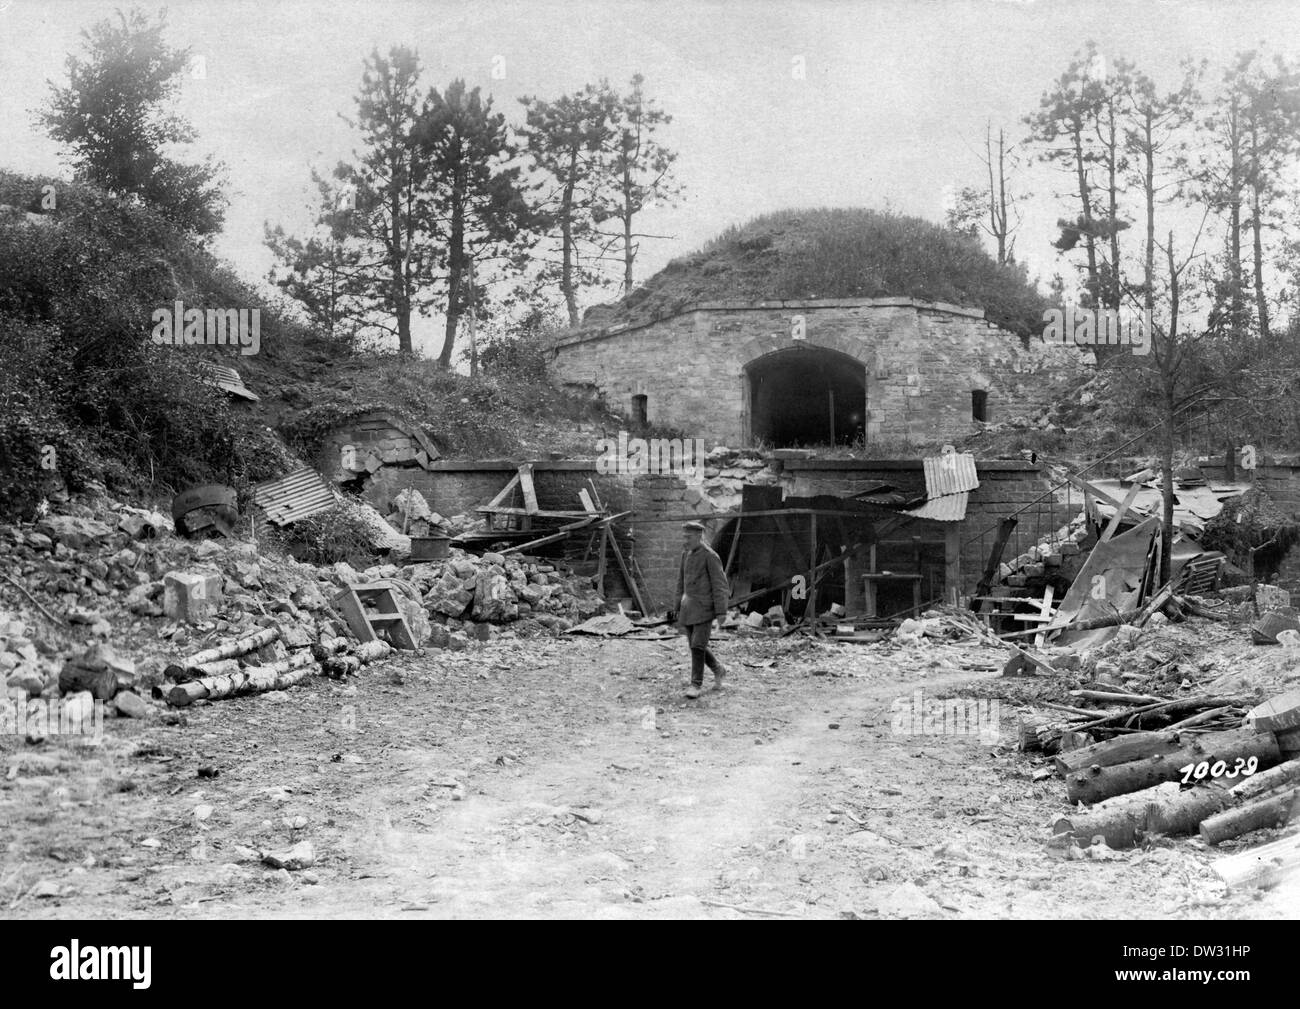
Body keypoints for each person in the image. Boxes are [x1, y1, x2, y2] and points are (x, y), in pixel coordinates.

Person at [668, 521, 729, 699]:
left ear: (699, 536)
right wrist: (677, 607)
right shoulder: (685, 554)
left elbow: (720, 585)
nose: (685, 541)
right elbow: (681, 583)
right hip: (688, 608)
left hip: (704, 608)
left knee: (697, 645)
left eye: (688, 537)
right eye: (684, 537)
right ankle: (719, 669)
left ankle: (696, 684)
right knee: (696, 647)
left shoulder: (710, 556)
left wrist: (721, 612)